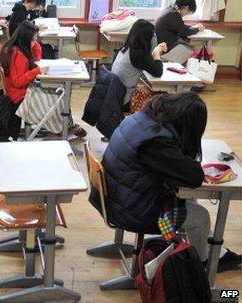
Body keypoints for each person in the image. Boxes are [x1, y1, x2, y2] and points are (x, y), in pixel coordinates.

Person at [92, 93, 241, 272]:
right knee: (200, 217)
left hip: (117, 196)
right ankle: (202, 267)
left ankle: (213, 251)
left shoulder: (142, 119)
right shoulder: (156, 142)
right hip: (131, 210)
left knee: (188, 200)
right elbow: (193, 177)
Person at [0, 22, 47, 141]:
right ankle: (62, 127)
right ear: (25, 39)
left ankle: (64, 126)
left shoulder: (10, 47)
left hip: (12, 93)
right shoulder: (18, 55)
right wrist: (37, 71)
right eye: (33, 40)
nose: (35, 43)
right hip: (17, 96)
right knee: (57, 97)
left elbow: (36, 57)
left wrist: (34, 45)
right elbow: (18, 82)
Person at [112, 19, 166, 108]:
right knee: (160, 97)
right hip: (125, 99)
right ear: (147, 37)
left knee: (147, 88)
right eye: (153, 36)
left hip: (116, 93)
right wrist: (157, 54)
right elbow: (157, 72)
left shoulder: (126, 47)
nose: (154, 38)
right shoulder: (138, 54)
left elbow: (146, 63)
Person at [155, 0, 204, 64]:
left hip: (161, 41)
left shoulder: (170, 9)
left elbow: (180, 26)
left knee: (187, 44)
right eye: (189, 12)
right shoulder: (174, 14)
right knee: (189, 50)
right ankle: (165, 62)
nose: (187, 14)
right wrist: (197, 29)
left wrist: (193, 27)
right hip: (164, 44)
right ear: (186, 8)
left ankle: (166, 61)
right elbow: (185, 31)